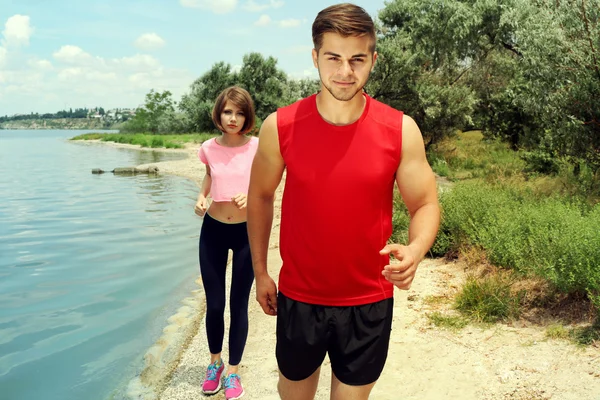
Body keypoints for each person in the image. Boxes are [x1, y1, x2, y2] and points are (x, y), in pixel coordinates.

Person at [247, 3, 441, 400]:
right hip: (299, 297)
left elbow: (425, 204)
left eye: (357, 59)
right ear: (315, 57)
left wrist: (416, 250)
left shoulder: (400, 130)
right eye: (333, 58)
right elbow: (261, 196)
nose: (345, 72)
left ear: (373, 59)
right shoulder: (279, 126)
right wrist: (261, 271)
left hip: (368, 300)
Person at [195, 86, 258, 400]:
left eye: (240, 112)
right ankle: (214, 364)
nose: (233, 118)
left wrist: (252, 194)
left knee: (238, 304)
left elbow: (268, 181)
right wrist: (201, 197)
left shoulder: (258, 147)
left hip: (247, 233)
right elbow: (209, 175)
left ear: (247, 116)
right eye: (228, 111)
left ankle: (233, 372)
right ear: (219, 113)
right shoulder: (209, 147)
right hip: (213, 231)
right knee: (215, 303)